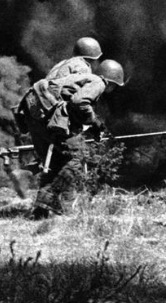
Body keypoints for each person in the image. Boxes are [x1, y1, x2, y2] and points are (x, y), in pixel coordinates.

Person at [14, 59, 125, 219]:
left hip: (33, 112)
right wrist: (94, 122)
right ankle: (47, 200)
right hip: (45, 114)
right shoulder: (98, 82)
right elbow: (79, 102)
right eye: (114, 86)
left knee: (54, 163)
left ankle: (40, 212)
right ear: (111, 82)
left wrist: (93, 126)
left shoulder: (81, 78)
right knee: (74, 159)